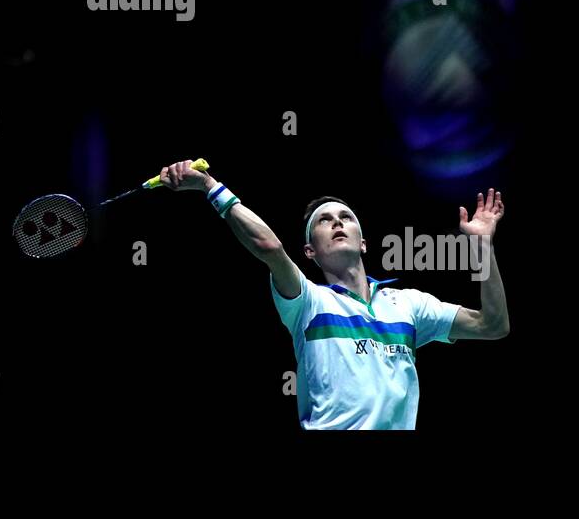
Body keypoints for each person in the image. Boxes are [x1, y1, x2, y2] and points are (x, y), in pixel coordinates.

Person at [159, 159, 509, 429]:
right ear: (310, 250)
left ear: (364, 243)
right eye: (324, 221)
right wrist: (210, 186)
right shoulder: (308, 302)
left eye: (346, 217)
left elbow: (492, 325)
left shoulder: (409, 304)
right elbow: (269, 247)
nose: (338, 222)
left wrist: (482, 247)